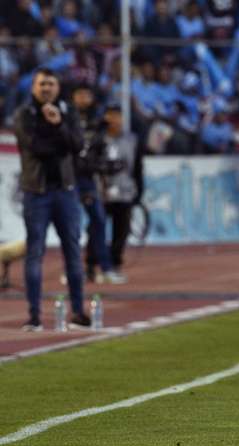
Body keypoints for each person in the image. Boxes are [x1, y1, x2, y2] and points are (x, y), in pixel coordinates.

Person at [14, 67, 91, 331]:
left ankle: (78, 312)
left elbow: (77, 145)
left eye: (51, 83)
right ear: (33, 88)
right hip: (37, 192)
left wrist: (58, 125)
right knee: (35, 253)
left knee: (72, 251)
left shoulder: (67, 113)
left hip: (66, 191)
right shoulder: (24, 114)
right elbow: (35, 147)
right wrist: (58, 135)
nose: (46, 88)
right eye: (41, 84)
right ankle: (34, 316)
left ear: (58, 87)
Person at [71, 84, 125, 284]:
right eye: (80, 94)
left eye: (87, 94)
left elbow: (100, 153)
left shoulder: (98, 123)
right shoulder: (67, 118)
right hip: (69, 179)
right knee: (71, 225)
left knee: (99, 221)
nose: (84, 98)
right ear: (74, 97)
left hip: (88, 180)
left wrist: (104, 170)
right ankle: (73, 268)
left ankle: (104, 268)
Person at [93, 103, 144, 277]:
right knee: (95, 229)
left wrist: (139, 191)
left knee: (121, 231)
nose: (114, 120)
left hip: (125, 192)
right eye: (111, 115)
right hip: (102, 192)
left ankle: (115, 264)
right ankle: (90, 265)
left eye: (118, 115)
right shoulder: (98, 139)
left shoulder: (132, 140)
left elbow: (137, 167)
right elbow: (91, 164)